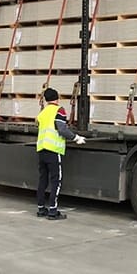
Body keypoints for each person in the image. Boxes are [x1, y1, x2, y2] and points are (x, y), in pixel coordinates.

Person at [36, 87, 85, 219]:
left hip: (42, 149)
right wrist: (76, 138)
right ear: (57, 98)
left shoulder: (43, 112)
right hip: (53, 150)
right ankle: (53, 211)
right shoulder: (59, 110)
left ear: (46, 100)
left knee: (43, 180)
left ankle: (41, 209)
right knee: (56, 181)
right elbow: (62, 129)